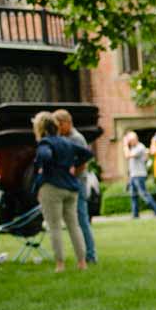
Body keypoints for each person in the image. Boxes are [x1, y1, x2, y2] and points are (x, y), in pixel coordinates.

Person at [31, 111, 90, 272]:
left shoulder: (45, 143)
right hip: (71, 187)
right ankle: (82, 262)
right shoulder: (66, 142)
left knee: (55, 227)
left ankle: (60, 264)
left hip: (52, 187)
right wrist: (72, 166)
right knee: (74, 226)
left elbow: (45, 156)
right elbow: (87, 154)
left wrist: (47, 168)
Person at [54, 109, 98, 264]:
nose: (57, 128)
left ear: (66, 122)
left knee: (81, 219)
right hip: (68, 182)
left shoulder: (76, 138)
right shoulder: (62, 137)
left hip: (77, 182)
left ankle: (91, 255)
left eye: (58, 124)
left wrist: (70, 175)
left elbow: (83, 163)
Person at [122, 131, 156, 218]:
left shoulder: (140, 147)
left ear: (135, 139)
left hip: (139, 175)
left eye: (130, 140)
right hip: (133, 175)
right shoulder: (133, 147)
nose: (129, 142)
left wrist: (124, 145)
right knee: (133, 195)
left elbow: (127, 156)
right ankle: (135, 215)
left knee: (144, 194)